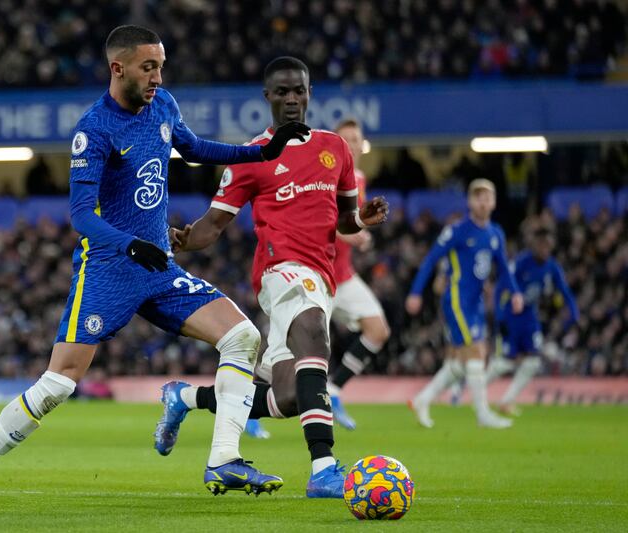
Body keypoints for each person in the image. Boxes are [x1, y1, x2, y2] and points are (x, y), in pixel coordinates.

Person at [0, 25, 310, 510]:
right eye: (148, 67)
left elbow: (196, 150)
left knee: (241, 336)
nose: (157, 76)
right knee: (58, 384)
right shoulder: (93, 130)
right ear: (118, 68)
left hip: (158, 267)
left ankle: (224, 458)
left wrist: (260, 151)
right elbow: (81, 216)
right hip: (109, 271)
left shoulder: (163, 105)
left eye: (161, 66)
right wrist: (131, 245)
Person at [154, 56, 389, 498]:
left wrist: (362, 221)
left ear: (309, 93)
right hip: (282, 272)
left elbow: (343, 221)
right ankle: (323, 469)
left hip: (321, 276)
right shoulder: (251, 158)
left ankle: (184, 398)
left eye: (299, 90)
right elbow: (214, 224)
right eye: (282, 92)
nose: (291, 99)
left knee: (291, 396)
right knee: (314, 337)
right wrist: (183, 240)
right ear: (268, 97)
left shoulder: (334, 148)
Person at [246, 118, 390, 436]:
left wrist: (359, 226)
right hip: (311, 274)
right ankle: (249, 409)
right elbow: (331, 222)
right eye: (346, 139)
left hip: (344, 276)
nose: (351, 144)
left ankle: (335, 391)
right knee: (289, 354)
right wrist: (358, 233)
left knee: (377, 330)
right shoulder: (321, 169)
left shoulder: (357, 178)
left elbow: (348, 219)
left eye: (356, 139)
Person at [406, 179, 523, 429]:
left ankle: (422, 400)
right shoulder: (457, 230)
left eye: (487, 197)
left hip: (477, 302)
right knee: (476, 352)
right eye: (478, 197)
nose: (483, 201)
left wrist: (515, 292)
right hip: (457, 300)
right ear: (470, 202)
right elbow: (430, 261)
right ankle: (482, 414)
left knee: (461, 362)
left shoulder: (495, 234)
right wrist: (416, 292)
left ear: (493, 202)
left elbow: (503, 267)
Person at [487, 226, 579, 414]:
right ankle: (474, 390)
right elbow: (501, 287)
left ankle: (506, 401)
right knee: (506, 361)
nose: (545, 249)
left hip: (530, 318)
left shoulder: (552, 267)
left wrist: (575, 313)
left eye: (548, 245)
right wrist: (499, 316)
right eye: (541, 245)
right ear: (535, 245)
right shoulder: (521, 262)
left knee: (533, 362)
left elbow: (565, 291)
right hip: (511, 316)